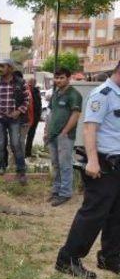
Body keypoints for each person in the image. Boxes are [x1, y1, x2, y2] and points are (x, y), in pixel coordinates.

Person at [55, 61, 120, 279]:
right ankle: (68, 259)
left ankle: (110, 257)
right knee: (93, 214)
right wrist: (92, 160)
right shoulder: (103, 94)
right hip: (103, 163)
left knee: (117, 214)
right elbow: (90, 128)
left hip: (118, 164)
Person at [0, 59, 29, 184]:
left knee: (16, 144)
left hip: (14, 119)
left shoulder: (21, 83)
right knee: (0, 145)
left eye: (2, 66)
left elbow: (27, 100)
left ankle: (21, 171)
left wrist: (18, 111)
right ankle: (0, 167)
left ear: (10, 68)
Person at [44, 68, 82, 206]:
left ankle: (65, 193)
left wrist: (65, 131)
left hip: (65, 136)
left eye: (61, 78)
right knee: (55, 164)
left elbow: (76, 115)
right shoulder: (56, 94)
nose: (58, 80)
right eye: (56, 78)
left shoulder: (74, 95)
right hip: (53, 135)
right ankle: (56, 190)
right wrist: (46, 131)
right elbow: (51, 114)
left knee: (65, 165)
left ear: (68, 78)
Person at [25, 77, 42, 157]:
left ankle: (28, 152)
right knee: (24, 136)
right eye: (31, 82)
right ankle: (24, 152)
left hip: (35, 117)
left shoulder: (36, 91)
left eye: (33, 82)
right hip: (27, 117)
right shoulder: (25, 90)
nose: (32, 83)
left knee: (31, 135)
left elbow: (39, 104)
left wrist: (39, 115)